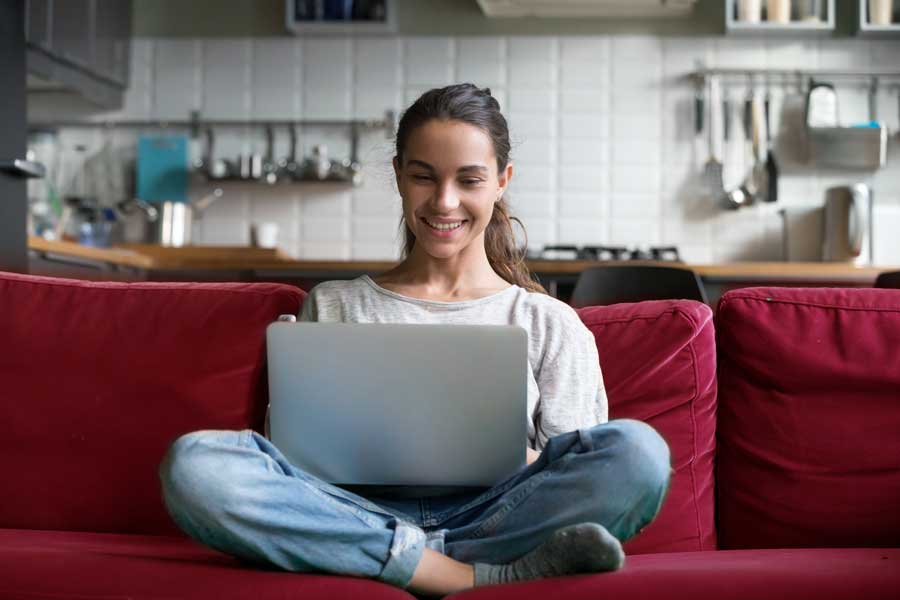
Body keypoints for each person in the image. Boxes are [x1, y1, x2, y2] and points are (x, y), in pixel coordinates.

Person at [158, 83, 673, 597]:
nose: (444, 201)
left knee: (639, 453)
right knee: (195, 465)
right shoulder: (335, 304)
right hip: (354, 513)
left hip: (496, 517)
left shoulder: (548, 321)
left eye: (469, 179)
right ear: (400, 177)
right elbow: (295, 463)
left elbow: (576, 467)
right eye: (424, 176)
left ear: (501, 182)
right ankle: (459, 574)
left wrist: (515, 457)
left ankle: (391, 561)